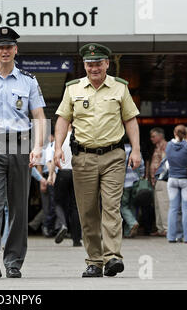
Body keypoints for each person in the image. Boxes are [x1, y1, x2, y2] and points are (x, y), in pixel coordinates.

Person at [54, 43, 141, 278]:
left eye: (98, 64)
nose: (94, 68)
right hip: (83, 158)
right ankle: (94, 261)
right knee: (88, 211)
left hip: (113, 156)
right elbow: (63, 119)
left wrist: (136, 150)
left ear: (107, 64)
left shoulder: (120, 88)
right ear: (84, 66)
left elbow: (130, 120)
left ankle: (112, 257)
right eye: (90, 64)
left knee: (111, 207)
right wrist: (57, 149)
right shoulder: (73, 89)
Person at [0, 26, 46, 279]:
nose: (5, 51)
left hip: (20, 145)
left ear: (15, 50)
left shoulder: (29, 80)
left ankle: (14, 261)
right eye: (0, 47)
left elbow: (38, 116)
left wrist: (38, 147)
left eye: (9, 47)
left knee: (18, 207)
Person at [48, 123, 82, 246]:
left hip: (63, 173)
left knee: (58, 202)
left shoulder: (60, 139)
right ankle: (77, 240)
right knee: (75, 207)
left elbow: (53, 159)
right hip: (77, 174)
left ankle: (62, 224)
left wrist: (51, 174)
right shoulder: (79, 137)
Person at [121, 136, 145, 238]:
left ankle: (132, 223)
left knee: (123, 206)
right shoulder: (135, 151)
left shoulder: (120, 151)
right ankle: (128, 232)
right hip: (135, 182)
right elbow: (142, 165)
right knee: (132, 206)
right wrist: (141, 176)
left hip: (124, 183)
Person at [147, 127, 168, 237]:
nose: (151, 139)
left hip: (161, 179)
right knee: (158, 204)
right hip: (156, 180)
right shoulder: (157, 147)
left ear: (160, 136)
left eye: (153, 136)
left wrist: (159, 176)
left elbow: (165, 164)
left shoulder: (165, 146)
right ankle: (160, 228)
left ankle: (166, 228)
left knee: (164, 203)